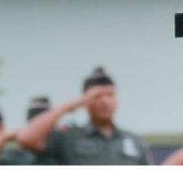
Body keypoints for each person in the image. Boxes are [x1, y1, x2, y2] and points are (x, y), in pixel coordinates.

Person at [16, 66, 151, 165]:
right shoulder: (70, 137)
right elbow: (27, 139)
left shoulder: (134, 142)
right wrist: (70, 105)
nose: (105, 102)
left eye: (110, 95)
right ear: (86, 101)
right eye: (97, 96)